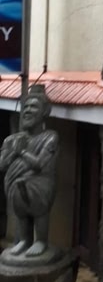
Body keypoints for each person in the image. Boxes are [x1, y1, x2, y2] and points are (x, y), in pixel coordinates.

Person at [0, 84, 59, 258]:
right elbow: (2, 164)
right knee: (21, 212)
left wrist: (22, 152)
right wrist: (13, 151)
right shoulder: (12, 140)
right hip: (15, 186)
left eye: (34, 107)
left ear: (44, 112)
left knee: (39, 209)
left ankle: (40, 241)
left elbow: (40, 164)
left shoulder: (50, 137)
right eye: (25, 107)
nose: (27, 111)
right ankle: (24, 241)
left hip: (40, 187)